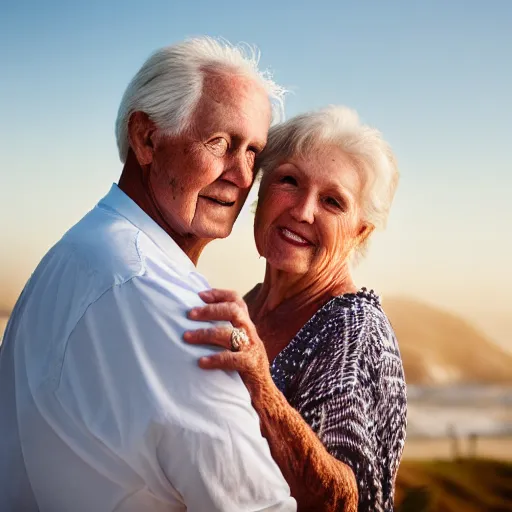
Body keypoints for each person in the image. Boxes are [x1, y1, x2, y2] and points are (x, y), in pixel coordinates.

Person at [0, 38, 297, 511]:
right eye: (220, 142)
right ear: (146, 139)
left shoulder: (75, 252)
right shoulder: (171, 299)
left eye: (253, 154)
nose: (241, 176)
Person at [184, 106, 407, 511]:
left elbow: (346, 502)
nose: (303, 211)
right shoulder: (247, 307)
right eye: (289, 181)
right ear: (261, 190)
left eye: (333, 202)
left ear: (360, 232)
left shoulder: (352, 331)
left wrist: (262, 387)